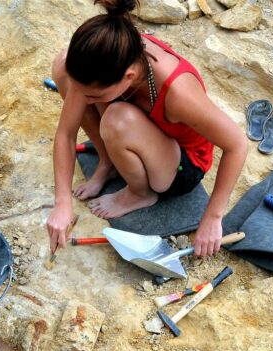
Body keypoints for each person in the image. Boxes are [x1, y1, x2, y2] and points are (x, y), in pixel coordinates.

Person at [46, 0, 248, 257]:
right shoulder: (116, 48)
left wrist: (213, 216)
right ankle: (107, 162)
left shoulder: (179, 94)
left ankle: (139, 193)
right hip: (142, 132)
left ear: (128, 77)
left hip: (180, 165)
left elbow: (237, 145)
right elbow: (66, 132)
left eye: (93, 96)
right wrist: (62, 203)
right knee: (63, 66)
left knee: (117, 119)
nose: (84, 102)